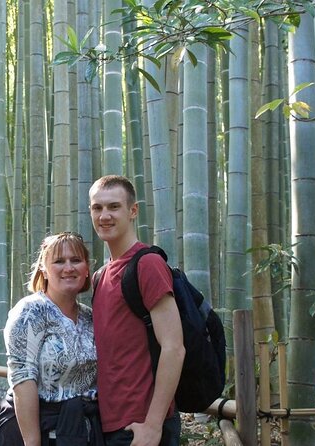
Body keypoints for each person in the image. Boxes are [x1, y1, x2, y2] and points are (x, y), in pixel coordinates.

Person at [89, 175, 184, 446]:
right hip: (109, 423)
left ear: (133, 211)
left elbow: (174, 347)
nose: (104, 215)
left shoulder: (147, 264)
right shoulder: (99, 276)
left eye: (114, 207)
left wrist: (153, 426)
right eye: (97, 208)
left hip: (141, 427)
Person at [0, 232, 104, 446]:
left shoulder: (90, 317)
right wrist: (32, 442)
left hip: (79, 429)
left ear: (87, 268)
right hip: (34, 429)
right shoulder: (30, 312)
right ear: (43, 268)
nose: (69, 268)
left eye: (76, 260)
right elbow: (22, 378)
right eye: (59, 261)